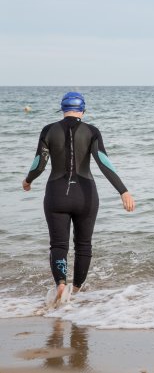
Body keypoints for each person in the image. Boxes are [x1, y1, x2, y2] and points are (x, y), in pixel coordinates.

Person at [22, 92, 136, 303]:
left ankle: (61, 285)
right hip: (86, 195)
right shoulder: (92, 131)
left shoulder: (48, 130)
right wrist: (123, 190)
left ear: (63, 109)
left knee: (58, 245)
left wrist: (28, 180)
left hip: (56, 195)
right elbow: (104, 163)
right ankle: (75, 291)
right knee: (83, 245)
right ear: (83, 110)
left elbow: (40, 163)